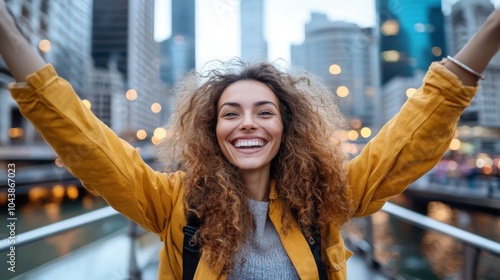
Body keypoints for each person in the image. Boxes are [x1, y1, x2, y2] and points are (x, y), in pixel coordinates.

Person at [1, 1, 499, 278]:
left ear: (287, 127)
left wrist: (492, 31)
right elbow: (87, 144)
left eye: (265, 112)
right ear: (211, 131)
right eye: (229, 113)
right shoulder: (173, 203)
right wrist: (10, 39)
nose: (247, 124)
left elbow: (408, 142)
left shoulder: (325, 201)